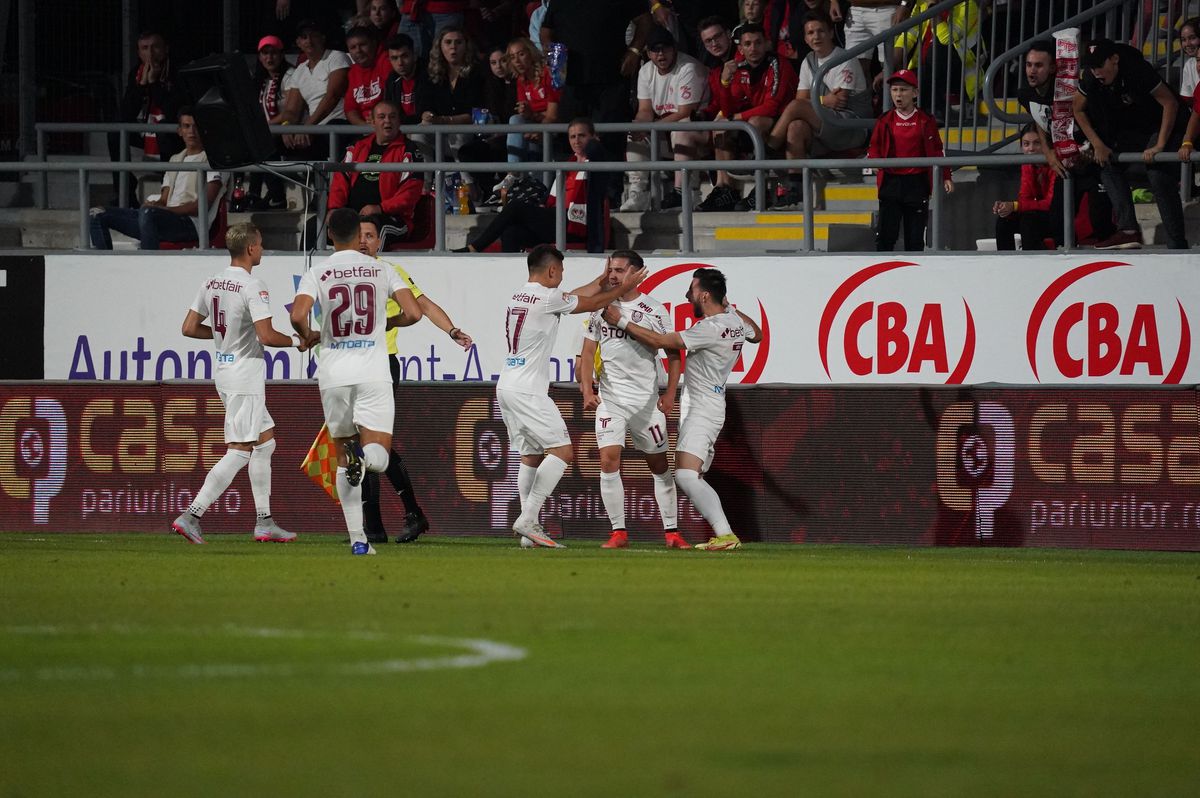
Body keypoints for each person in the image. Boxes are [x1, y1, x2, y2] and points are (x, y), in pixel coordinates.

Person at [290, 208, 424, 556]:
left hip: (334, 374)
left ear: (330, 235)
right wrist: (389, 323)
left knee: (343, 456)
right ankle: (362, 460)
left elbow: (297, 315)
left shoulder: (317, 272)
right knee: (378, 456)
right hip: (373, 371)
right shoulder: (382, 269)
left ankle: (359, 540)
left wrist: (310, 335)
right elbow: (414, 313)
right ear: (357, 234)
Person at [600, 267, 762, 551]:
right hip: (709, 404)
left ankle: (726, 535)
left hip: (702, 408)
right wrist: (730, 307)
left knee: (686, 475)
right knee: (690, 474)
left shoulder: (709, 329)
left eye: (692, 290)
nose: (688, 295)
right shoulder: (734, 320)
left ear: (705, 296)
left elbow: (660, 342)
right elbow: (756, 335)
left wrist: (621, 321)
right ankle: (724, 535)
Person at [499, 244, 647, 548]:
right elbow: (592, 303)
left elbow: (575, 296)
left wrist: (600, 280)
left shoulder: (521, 295)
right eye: (562, 271)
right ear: (552, 270)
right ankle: (529, 518)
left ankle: (529, 534)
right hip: (528, 390)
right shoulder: (548, 298)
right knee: (563, 452)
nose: (562, 276)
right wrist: (623, 287)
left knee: (530, 455)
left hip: (507, 385)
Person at [171, 223, 311, 545]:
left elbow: (189, 327)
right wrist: (297, 342)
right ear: (250, 249)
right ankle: (191, 515)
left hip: (224, 370)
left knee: (264, 442)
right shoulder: (252, 285)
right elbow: (266, 336)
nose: (262, 250)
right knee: (240, 450)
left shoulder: (211, 282)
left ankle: (265, 522)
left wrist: (226, 337)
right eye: (260, 245)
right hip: (245, 375)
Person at [356, 213, 473, 544]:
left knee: (371, 444)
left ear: (379, 242)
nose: (363, 241)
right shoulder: (341, 274)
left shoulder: (389, 272)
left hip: (381, 366)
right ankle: (389, 520)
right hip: (351, 366)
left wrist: (451, 330)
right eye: (358, 235)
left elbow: (423, 305)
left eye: (369, 236)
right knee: (360, 445)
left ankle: (386, 522)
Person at [578, 251, 686, 550]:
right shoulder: (599, 307)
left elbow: (674, 354)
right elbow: (588, 352)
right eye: (611, 270)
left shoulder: (653, 310)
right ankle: (618, 532)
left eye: (620, 270)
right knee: (607, 459)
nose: (613, 275)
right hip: (611, 400)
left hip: (646, 403)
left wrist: (670, 393)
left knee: (659, 465)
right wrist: (587, 390)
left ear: (637, 273)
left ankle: (672, 532)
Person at [1075, 39, 1189, 250]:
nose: (1096, 71)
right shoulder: (1091, 77)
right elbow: (1077, 109)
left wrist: (1160, 145)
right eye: (1091, 66)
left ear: (1115, 59)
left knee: (1157, 172)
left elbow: (1170, 103)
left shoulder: (1136, 69)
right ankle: (1128, 231)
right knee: (1105, 163)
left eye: (1100, 65)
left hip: (1164, 124)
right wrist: (1097, 144)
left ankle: (1177, 244)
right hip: (1133, 128)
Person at [1016, 39, 1115, 247]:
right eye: (1029, 65)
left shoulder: (1069, 89)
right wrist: (1049, 152)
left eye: (1039, 65)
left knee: (1101, 222)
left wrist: (1092, 145)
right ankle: (1069, 260)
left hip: (1094, 161)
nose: (1032, 71)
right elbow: (1040, 120)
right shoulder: (1025, 94)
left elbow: (1097, 119)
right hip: (1067, 163)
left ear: (1053, 68)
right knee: (1058, 222)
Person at [456, 118, 607, 252]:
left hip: (575, 224)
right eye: (572, 136)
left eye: (582, 135)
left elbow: (596, 151)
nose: (576, 141)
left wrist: (594, 143)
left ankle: (475, 247)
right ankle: (509, 273)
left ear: (594, 137)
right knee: (511, 233)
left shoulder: (596, 163)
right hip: (555, 219)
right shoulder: (567, 164)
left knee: (516, 207)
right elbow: (550, 198)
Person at [768, 14, 870, 207]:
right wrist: (824, 100)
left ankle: (768, 150)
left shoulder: (845, 58)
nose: (816, 36)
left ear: (830, 33)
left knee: (796, 108)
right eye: (810, 33)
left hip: (851, 126)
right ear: (805, 38)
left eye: (821, 31)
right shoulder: (808, 60)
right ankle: (795, 188)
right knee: (796, 126)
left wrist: (817, 102)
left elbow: (839, 101)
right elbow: (803, 100)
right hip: (825, 125)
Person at [90, 109, 225, 250]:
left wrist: (164, 210)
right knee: (96, 213)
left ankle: (149, 261)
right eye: (186, 126)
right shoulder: (175, 159)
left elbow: (201, 207)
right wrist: (154, 204)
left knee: (149, 214)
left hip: (191, 223)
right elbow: (164, 199)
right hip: (165, 217)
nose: (191, 131)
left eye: (196, 126)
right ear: (180, 131)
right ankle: (104, 261)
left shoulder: (212, 161)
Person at [697, 23, 796, 212]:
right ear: (740, 49)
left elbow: (772, 106)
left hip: (783, 120)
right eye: (748, 44)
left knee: (755, 122)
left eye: (758, 43)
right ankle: (726, 190)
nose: (753, 48)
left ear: (767, 44)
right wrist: (725, 82)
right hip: (756, 121)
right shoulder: (740, 67)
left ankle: (762, 187)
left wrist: (737, 117)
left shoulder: (778, 63)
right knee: (720, 125)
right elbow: (728, 110)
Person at [621, 25, 710, 212]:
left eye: (665, 48)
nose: (661, 54)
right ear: (648, 53)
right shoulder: (646, 71)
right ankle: (639, 193)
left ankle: (686, 192)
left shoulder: (688, 68)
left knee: (682, 128)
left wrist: (651, 128)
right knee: (635, 131)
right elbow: (645, 110)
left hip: (700, 134)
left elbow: (685, 112)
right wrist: (641, 127)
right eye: (655, 50)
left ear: (674, 48)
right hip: (665, 131)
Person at [867, 69, 953, 252]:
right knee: (885, 237)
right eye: (894, 90)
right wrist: (874, 161)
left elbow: (938, 150)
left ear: (915, 93)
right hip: (891, 181)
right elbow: (874, 147)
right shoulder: (884, 120)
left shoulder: (926, 120)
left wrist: (946, 176)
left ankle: (913, 270)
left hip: (917, 182)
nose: (898, 95)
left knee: (915, 239)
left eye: (903, 90)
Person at [327, 99, 423, 248]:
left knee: (374, 231)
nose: (387, 121)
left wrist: (380, 208)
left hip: (392, 218)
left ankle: (370, 265)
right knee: (315, 226)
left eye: (392, 116)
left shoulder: (409, 151)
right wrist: (334, 209)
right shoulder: (357, 146)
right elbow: (340, 181)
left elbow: (410, 194)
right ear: (372, 122)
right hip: (354, 216)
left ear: (399, 121)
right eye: (381, 117)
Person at [109, 31, 186, 206]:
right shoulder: (136, 73)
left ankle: (169, 191)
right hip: (146, 130)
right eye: (145, 48)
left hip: (174, 133)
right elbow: (126, 115)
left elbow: (173, 112)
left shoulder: (177, 72)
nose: (150, 53)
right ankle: (125, 194)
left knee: (165, 130)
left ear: (166, 49)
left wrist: (154, 84)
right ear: (139, 52)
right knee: (115, 132)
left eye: (155, 47)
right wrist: (142, 85)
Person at [490, 36, 560, 200]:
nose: (517, 61)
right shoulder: (521, 80)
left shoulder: (548, 73)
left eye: (521, 54)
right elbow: (526, 116)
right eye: (512, 57)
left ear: (531, 53)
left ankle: (513, 174)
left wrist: (536, 124)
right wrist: (530, 116)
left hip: (553, 129)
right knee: (518, 122)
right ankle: (525, 192)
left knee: (517, 122)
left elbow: (553, 116)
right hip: (535, 128)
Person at [279, 20, 351, 159]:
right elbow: (292, 110)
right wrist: (286, 126)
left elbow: (332, 96)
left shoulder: (336, 57)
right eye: (304, 37)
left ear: (323, 38)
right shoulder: (300, 70)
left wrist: (308, 127)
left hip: (339, 124)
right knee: (273, 144)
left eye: (314, 35)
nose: (309, 41)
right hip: (315, 129)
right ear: (298, 42)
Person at [248, 34, 295, 210]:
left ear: (282, 55)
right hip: (268, 132)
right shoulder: (260, 80)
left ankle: (272, 196)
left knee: (262, 144)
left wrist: (271, 128)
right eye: (265, 53)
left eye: (273, 53)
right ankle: (258, 195)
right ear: (259, 57)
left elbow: (291, 110)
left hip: (287, 129)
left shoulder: (290, 75)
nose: (269, 58)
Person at [993, 125, 1057, 250]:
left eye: (1037, 143)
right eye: (1026, 144)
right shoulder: (1027, 164)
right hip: (1039, 215)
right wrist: (1006, 208)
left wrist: (1015, 206)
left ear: (1047, 145)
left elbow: (1051, 204)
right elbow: (1024, 198)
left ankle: (1031, 260)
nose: (1031, 149)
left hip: (1060, 218)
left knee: (1029, 220)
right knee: (1004, 220)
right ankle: (1005, 260)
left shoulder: (1056, 164)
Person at [344, 24, 395, 125]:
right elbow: (350, 109)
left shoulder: (386, 61)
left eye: (362, 45)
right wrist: (364, 127)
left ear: (374, 43)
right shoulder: (353, 72)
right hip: (365, 126)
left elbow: (392, 100)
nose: (358, 50)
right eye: (353, 47)